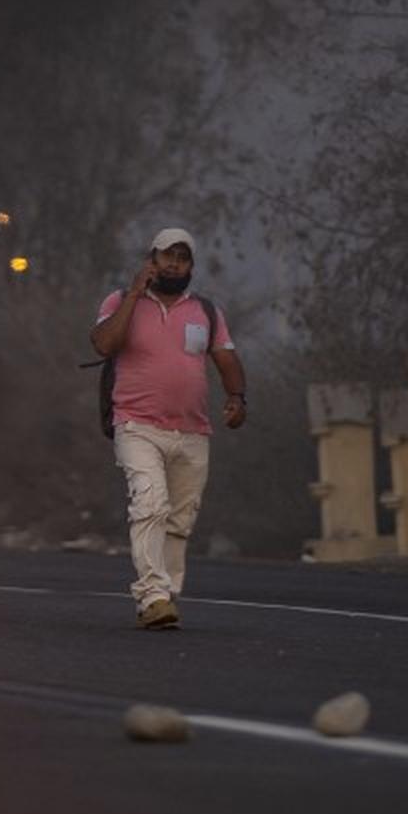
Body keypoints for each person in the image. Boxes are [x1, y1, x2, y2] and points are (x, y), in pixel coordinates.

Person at [91, 227, 246, 630]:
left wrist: (237, 398)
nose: (174, 263)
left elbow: (226, 358)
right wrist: (134, 294)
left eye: (182, 257)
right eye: (166, 255)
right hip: (136, 425)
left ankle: (166, 596)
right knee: (150, 504)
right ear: (151, 260)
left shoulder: (206, 312)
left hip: (193, 432)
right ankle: (153, 596)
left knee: (179, 521)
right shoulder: (121, 301)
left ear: (191, 266)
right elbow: (104, 344)